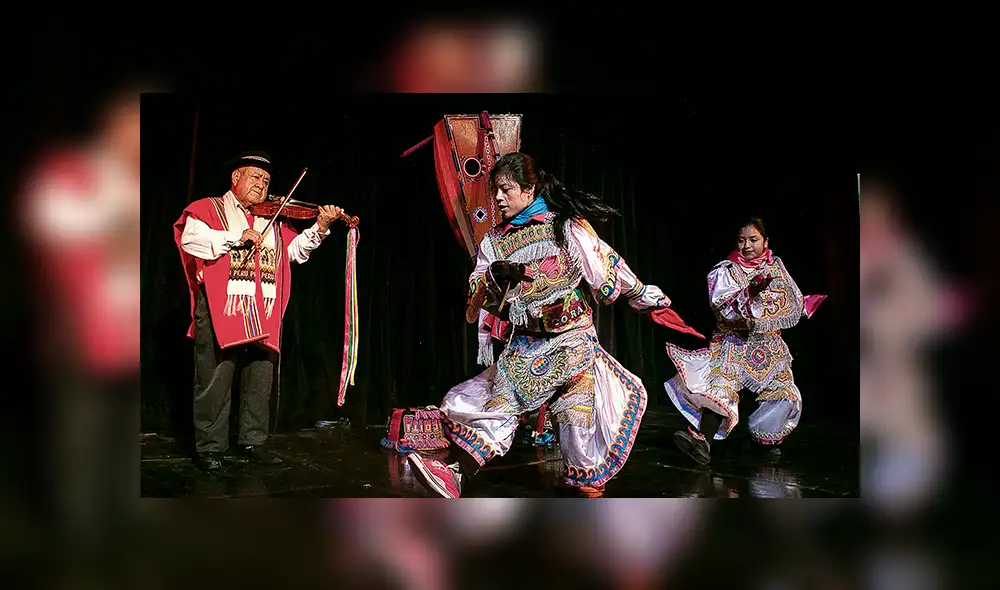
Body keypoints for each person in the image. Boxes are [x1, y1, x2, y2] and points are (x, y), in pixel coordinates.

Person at [407, 152, 700, 497]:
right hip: (526, 343)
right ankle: (456, 475)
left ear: (529, 189)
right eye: (495, 191)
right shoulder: (494, 242)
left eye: (506, 190)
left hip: (571, 339)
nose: (498, 198)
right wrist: (494, 280)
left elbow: (605, 267)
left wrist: (642, 295)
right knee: (504, 404)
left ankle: (588, 503)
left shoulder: (565, 228)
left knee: (575, 424)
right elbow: (477, 296)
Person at [173, 151, 345, 471]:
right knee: (215, 377)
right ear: (235, 178)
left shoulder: (274, 217)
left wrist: (320, 226)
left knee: (259, 377)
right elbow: (191, 240)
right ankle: (210, 448)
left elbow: (295, 252)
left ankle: (253, 440)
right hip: (221, 305)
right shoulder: (209, 208)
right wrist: (236, 237)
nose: (262, 184)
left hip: (263, 308)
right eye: (255, 177)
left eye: (267, 180)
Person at [664, 216, 826, 465]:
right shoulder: (726, 270)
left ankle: (766, 439)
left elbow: (786, 297)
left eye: (753, 239)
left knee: (782, 391)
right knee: (721, 387)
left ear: (765, 241)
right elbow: (722, 306)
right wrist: (749, 293)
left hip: (768, 343)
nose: (747, 245)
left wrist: (801, 304)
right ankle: (702, 440)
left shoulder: (776, 267)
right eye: (741, 240)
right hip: (734, 341)